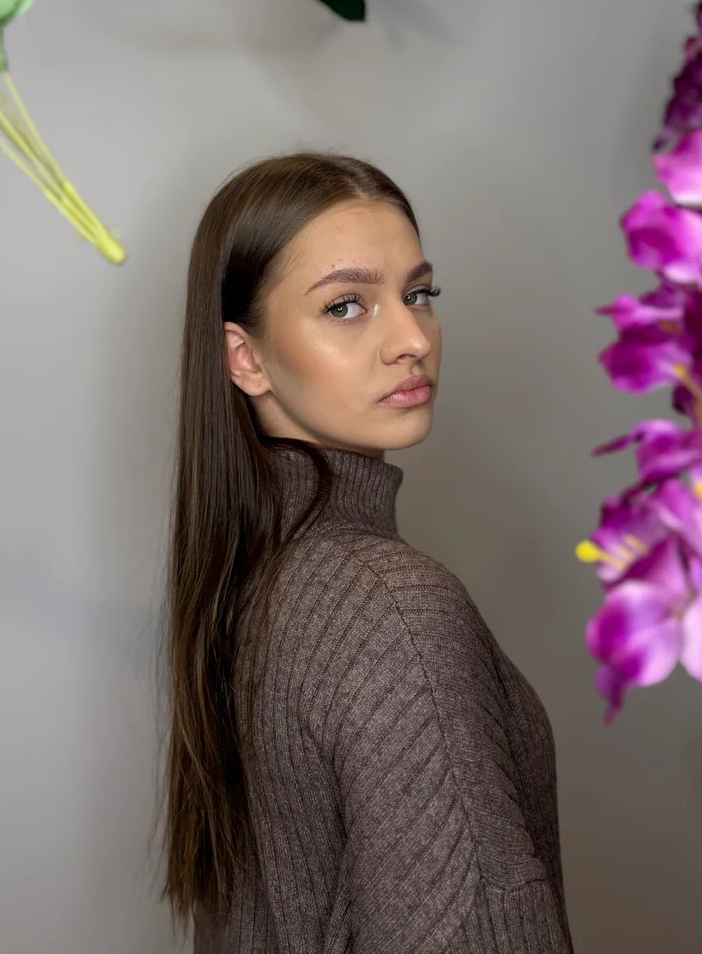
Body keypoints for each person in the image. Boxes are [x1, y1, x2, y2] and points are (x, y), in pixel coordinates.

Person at [162, 152, 573, 953]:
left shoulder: (249, 580)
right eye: (346, 305)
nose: (412, 338)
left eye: (419, 294)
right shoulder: (395, 607)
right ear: (245, 358)